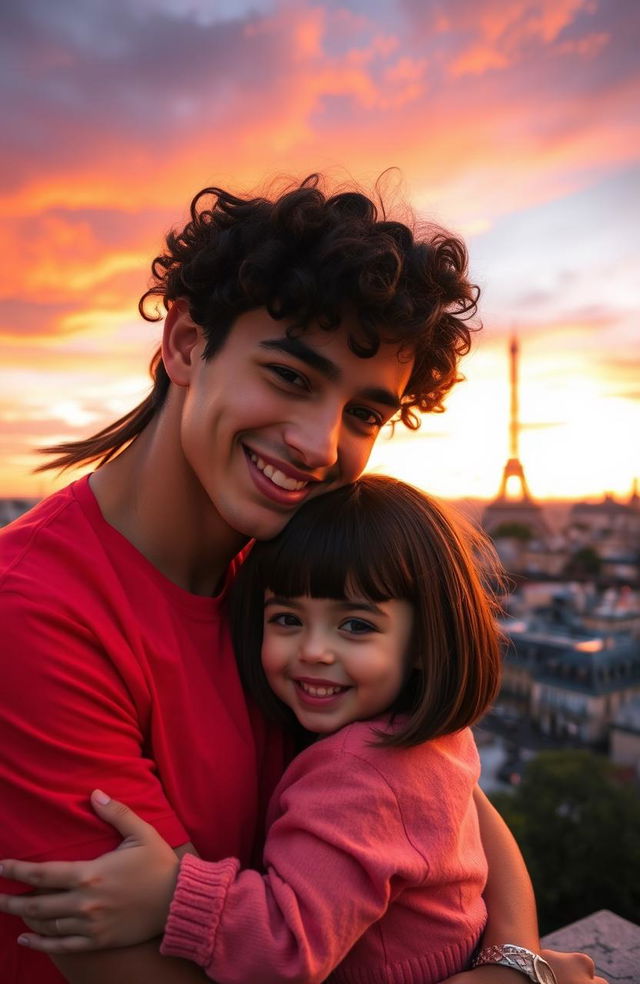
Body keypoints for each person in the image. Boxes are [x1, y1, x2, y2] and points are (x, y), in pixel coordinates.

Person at [0, 174, 602, 984]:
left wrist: (515, 966)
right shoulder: (34, 618)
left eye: (364, 414)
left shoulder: (297, 575)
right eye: (290, 376)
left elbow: (443, 795)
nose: (322, 444)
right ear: (184, 344)